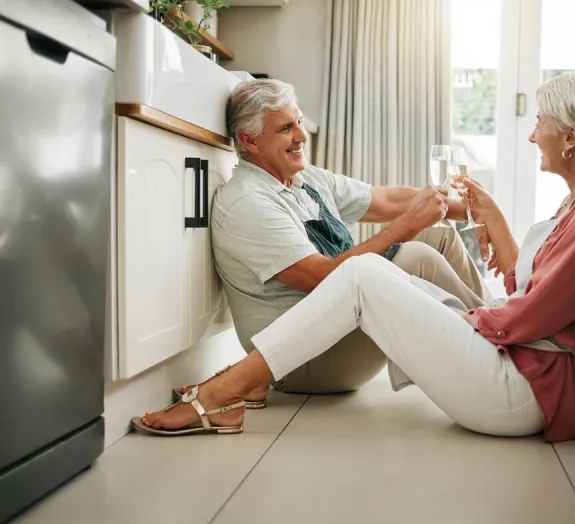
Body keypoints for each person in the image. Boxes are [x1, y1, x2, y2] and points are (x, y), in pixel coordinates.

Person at [133, 71, 575, 443]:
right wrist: (474, 277)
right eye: (286, 127)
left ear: (571, 138)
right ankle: (234, 387)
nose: (530, 135)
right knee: (367, 271)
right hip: (521, 374)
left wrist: (468, 311)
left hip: (531, 388)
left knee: (375, 270)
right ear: (249, 139)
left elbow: (533, 309)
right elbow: (531, 298)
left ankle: (224, 391)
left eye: (540, 123)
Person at [172, 79, 490, 406]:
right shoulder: (248, 202)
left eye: (298, 121)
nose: (301, 135)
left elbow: (385, 200)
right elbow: (322, 278)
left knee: (440, 236)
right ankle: (498, 351)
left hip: (337, 332)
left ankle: (501, 330)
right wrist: (404, 227)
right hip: (302, 359)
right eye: (285, 128)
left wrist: (477, 211)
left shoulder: (305, 179)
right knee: (418, 257)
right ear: (249, 140)